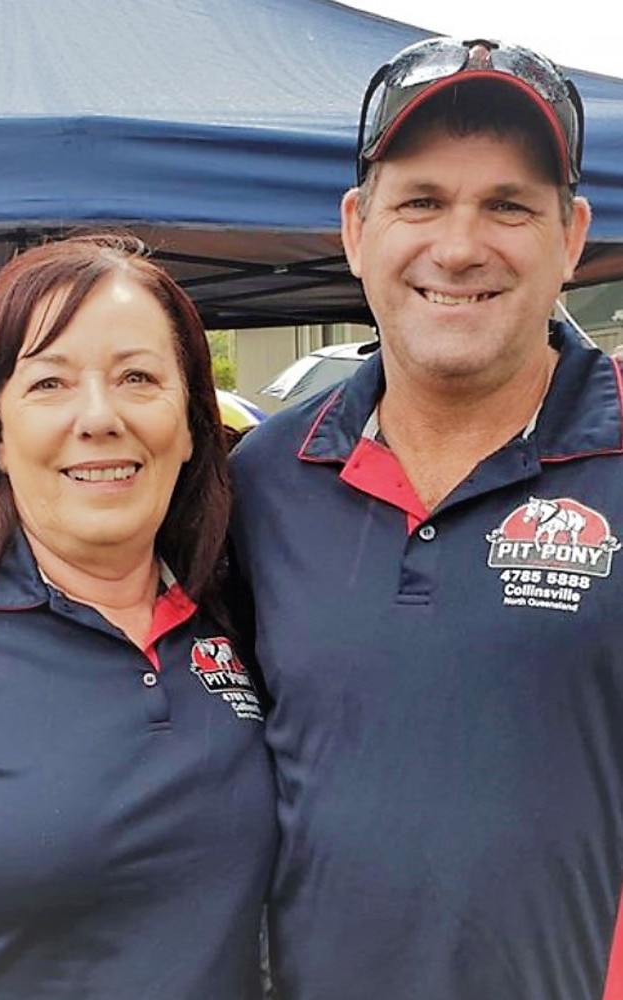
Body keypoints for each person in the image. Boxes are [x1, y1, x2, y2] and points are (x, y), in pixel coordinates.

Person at [229, 36, 623, 1000]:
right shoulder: (261, 481)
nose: (458, 245)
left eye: (507, 205)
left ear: (571, 237)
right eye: (421, 201)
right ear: (358, 228)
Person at [0, 233, 276, 999]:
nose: (99, 417)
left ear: (188, 425)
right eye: (50, 384)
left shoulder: (245, 614)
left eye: (138, 377)